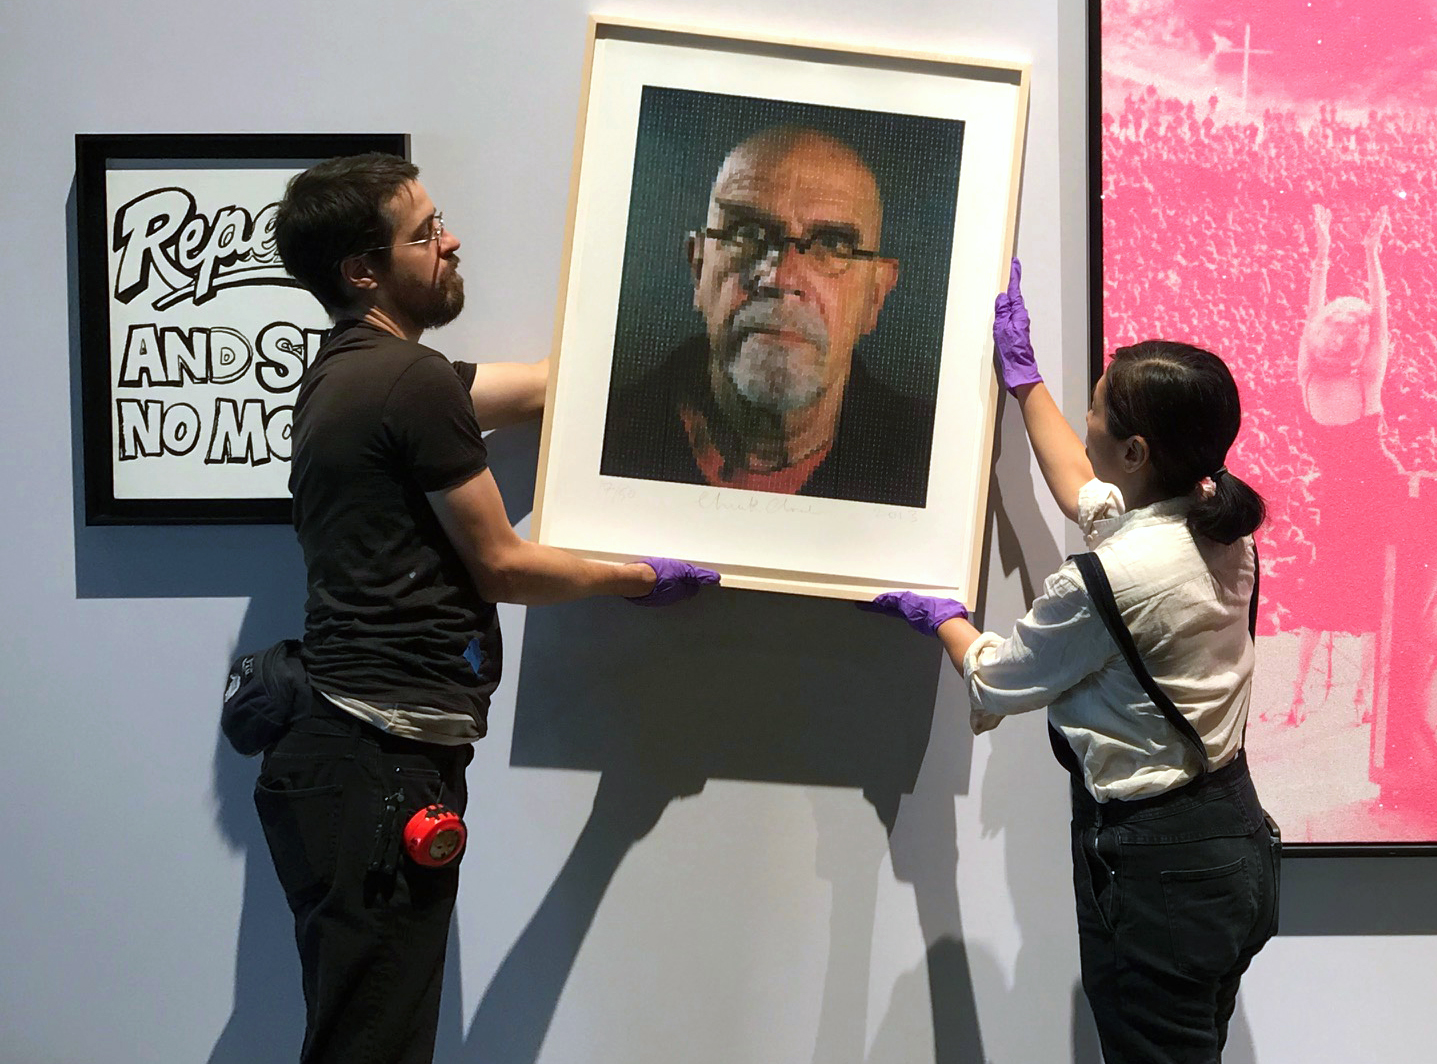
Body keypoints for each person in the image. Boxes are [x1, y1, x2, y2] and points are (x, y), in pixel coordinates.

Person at [256, 153, 718, 1064]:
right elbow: (502, 565)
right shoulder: (407, 381)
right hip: (379, 763)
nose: (452, 239)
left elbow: (545, 387)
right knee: (374, 1045)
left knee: (360, 1032)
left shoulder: (351, 373)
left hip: (348, 756)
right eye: (425, 231)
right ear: (363, 270)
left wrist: (667, 304)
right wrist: (636, 576)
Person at [875, 261, 1280, 1064]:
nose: (1084, 418)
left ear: (1134, 450)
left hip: (1160, 872)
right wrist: (1022, 382)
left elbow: (996, 678)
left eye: (1093, 406)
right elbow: (1085, 492)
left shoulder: (1108, 579)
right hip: (1233, 846)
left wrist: (941, 613)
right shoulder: (1217, 524)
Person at [599, 125, 935, 506]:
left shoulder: (934, 466)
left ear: (875, 296)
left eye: (832, 245)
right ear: (699, 268)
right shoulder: (600, 436)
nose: (782, 278)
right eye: (747, 233)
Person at [1282, 204, 1404, 725]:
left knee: (1323, 597)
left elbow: (1312, 314)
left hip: (1337, 501)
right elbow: (1383, 319)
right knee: (1376, 597)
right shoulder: (1366, 382)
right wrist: (1371, 253)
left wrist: (1324, 251)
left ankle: (1298, 698)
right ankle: (1362, 699)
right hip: (1375, 498)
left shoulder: (1307, 380)